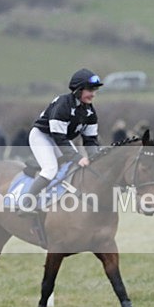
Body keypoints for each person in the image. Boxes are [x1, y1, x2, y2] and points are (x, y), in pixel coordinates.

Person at [18, 68, 103, 213]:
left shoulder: (90, 112)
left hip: (60, 139)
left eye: (95, 90)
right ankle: (26, 203)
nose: (93, 94)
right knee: (50, 169)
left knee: (74, 167)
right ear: (78, 90)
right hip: (42, 136)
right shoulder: (63, 104)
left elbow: (90, 140)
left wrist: (95, 157)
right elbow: (58, 137)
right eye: (90, 90)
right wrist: (78, 157)